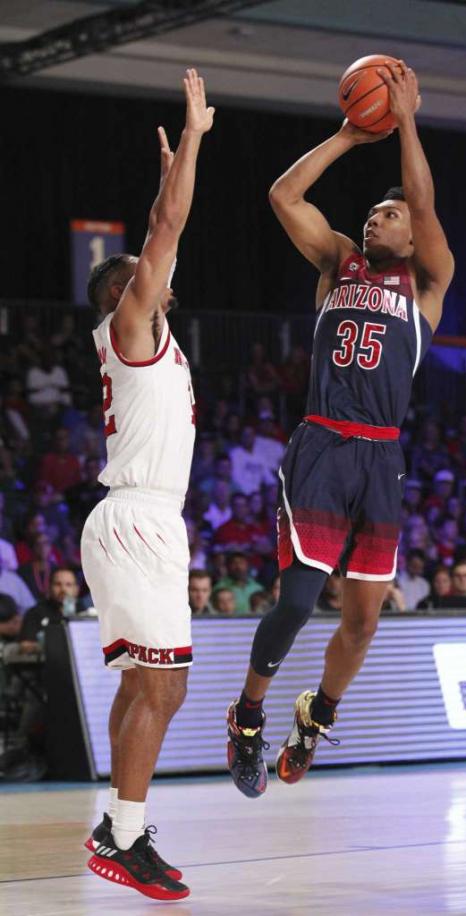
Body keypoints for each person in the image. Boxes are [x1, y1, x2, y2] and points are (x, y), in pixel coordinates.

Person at [226, 60, 454, 797]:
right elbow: (281, 194)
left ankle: (315, 718)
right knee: (297, 600)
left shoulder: (426, 282)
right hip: (324, 442)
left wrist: (408, 120)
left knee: (362, 621)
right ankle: (248, 719)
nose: (376, 219)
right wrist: (350, 137)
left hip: (381, 458)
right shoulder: (336, 263)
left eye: (389, 216)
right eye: (373, 215)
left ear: (415, 235)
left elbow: (420, 197)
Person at [80, 70, 213, 901]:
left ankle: (117, 828)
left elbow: (170, 226)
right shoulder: (130, 326)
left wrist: (172, 174)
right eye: (151, 274)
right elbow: (167, 227)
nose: (167, 276)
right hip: (136, 519)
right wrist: (194, 138)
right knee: (162, 684)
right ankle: (121, 838)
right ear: (128, 293)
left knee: (153, 682)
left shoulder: (147, 335)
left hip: (148, 521)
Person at [19, 567, 81, 652]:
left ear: (76, 590)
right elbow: (24, 646)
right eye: (58, 584)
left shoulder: (84, 611)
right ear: (49, 588)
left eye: (68, 585)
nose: (63, 589)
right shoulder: (35, 613)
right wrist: (51, 646)